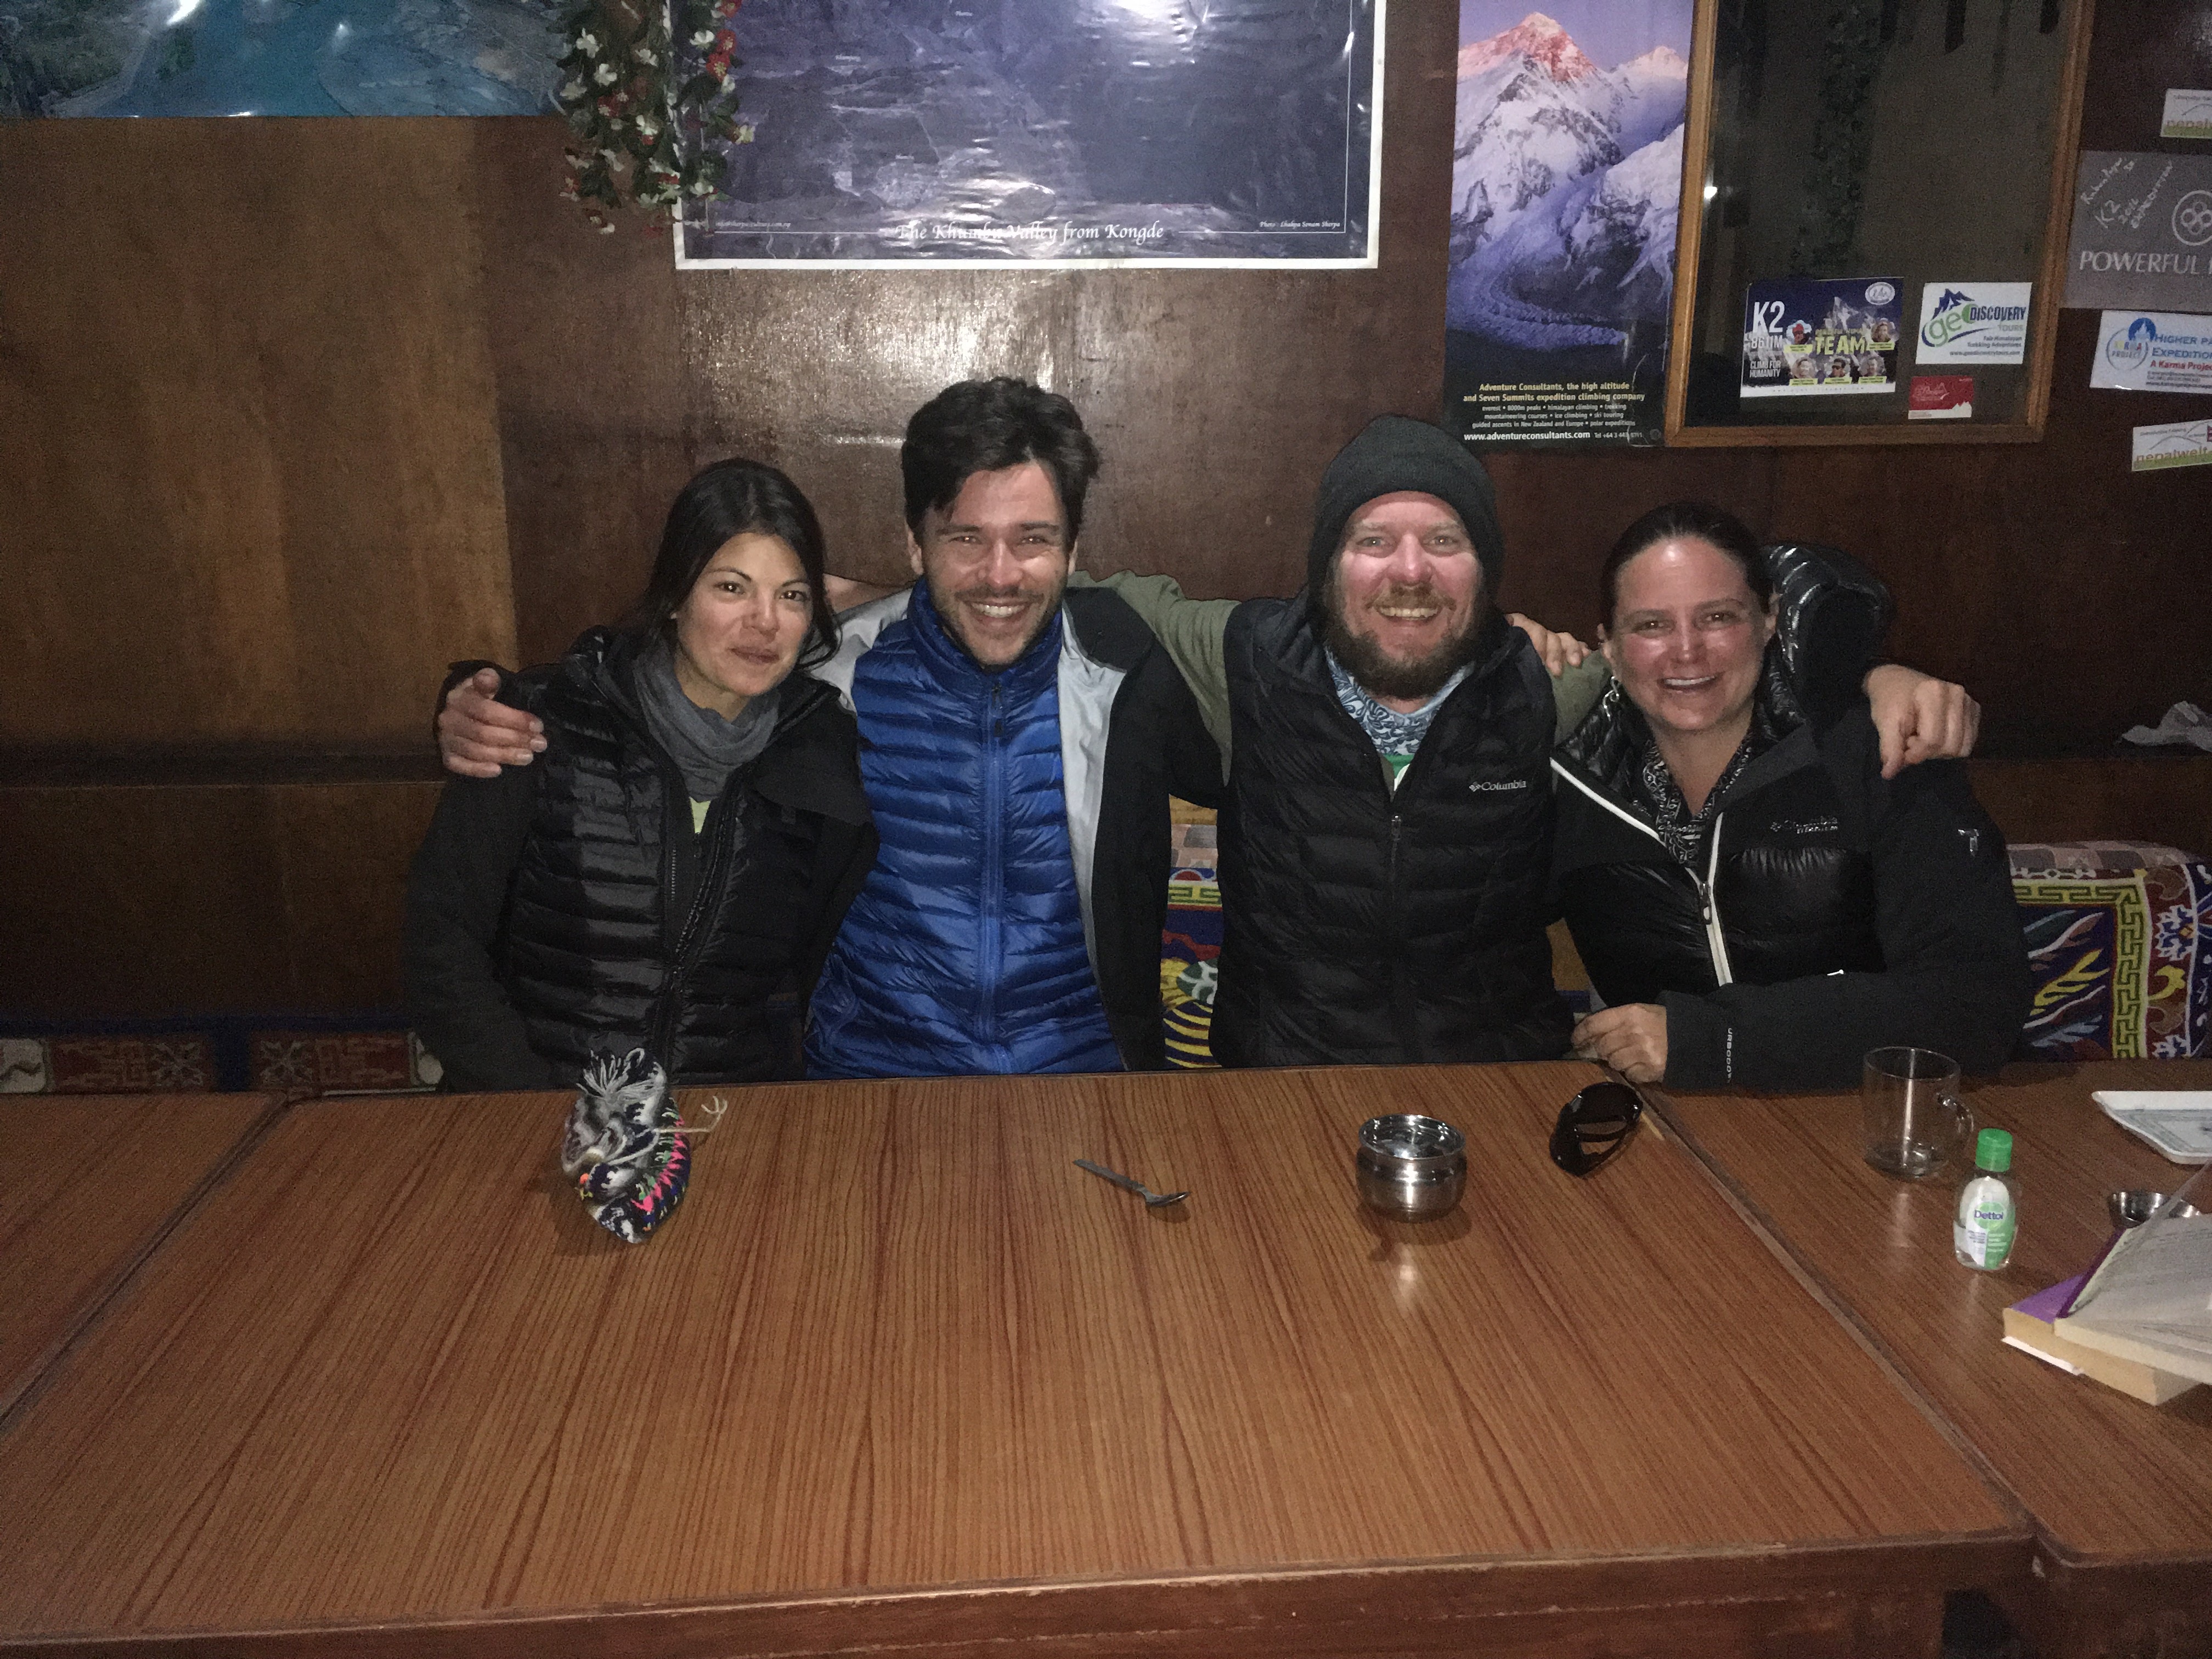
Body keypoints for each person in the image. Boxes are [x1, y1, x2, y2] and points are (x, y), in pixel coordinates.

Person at [437, 379, 1221, 1076]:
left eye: (1033, 539)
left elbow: (1274, 718)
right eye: (965, 538)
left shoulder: (1131, 672)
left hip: (1083, 1076)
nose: (1000, 574)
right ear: (915, 543)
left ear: (1073, 551)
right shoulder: (829, 677)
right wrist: (485, 699)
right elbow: (653, 682)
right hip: (865, 1080)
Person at [404, 458, 876, 1090]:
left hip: (719, 1118)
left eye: (791, 595)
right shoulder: (537, 725)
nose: (765, 621)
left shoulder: (821, 757)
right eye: (731, 588)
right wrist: (531, 1108)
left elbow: (828, 963)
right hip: (533, 1112)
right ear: (676, 596)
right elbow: (440, 940)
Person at [1553, 501, 2031, 1090]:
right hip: (1673, 1117)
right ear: (1609, 645)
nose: (1687, 651)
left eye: (1718, 617)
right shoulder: (1572, 779)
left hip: (1880, 1109)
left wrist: (1716, 1039)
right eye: (1651, 625)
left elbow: (1977, 1001)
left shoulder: (1882, 749)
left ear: (1769, 619)